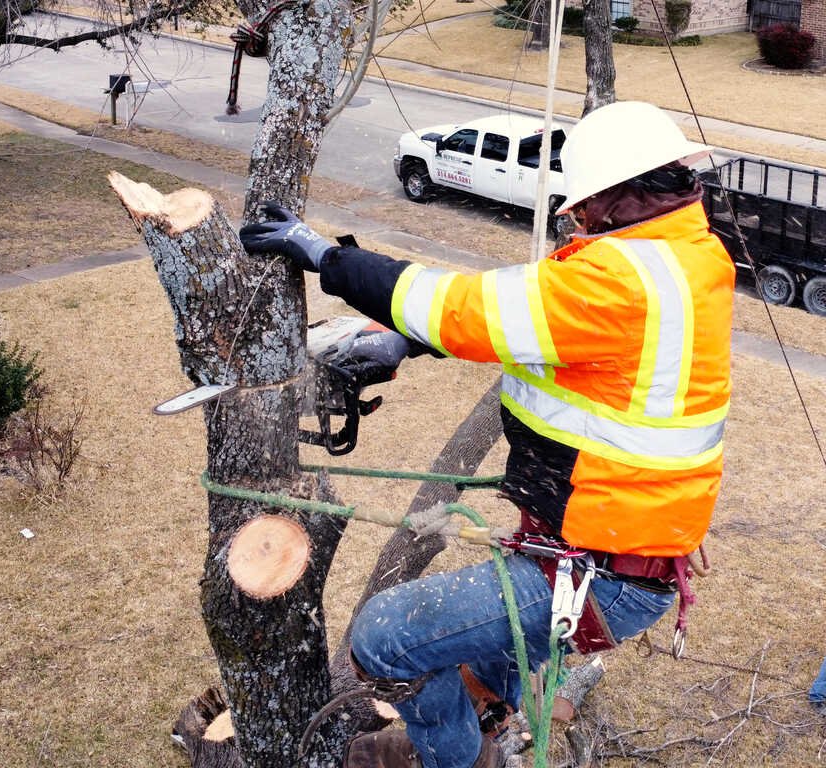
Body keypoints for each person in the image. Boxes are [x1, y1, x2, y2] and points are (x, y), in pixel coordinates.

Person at [239, 101, 735, 768]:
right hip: (605, 550)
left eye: (585, 208)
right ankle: (488, 715)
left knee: (384, 636)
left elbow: (466, 309)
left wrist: (325, 256)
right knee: (480, 653)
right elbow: (546, 334)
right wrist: (404, 343)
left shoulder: (624, 279)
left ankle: (465, 758)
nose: (581, 221)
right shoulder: (687, 256)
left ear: (623, 197)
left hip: (600, 574)